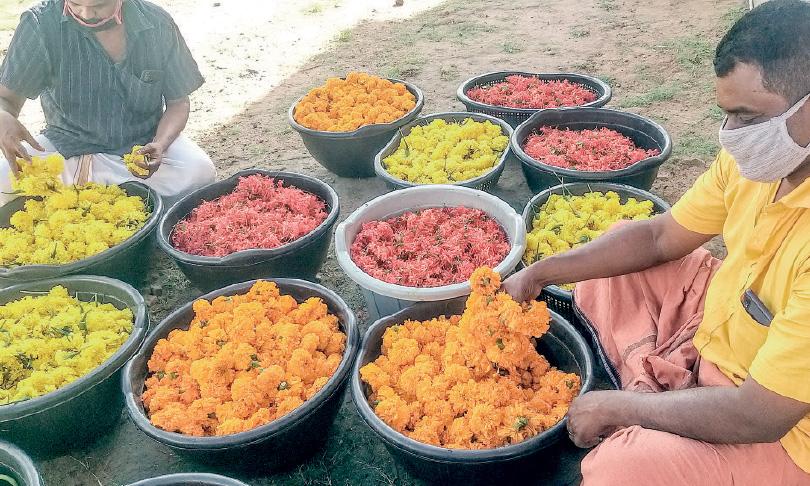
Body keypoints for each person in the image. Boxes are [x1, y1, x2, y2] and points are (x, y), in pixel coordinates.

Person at [502, 1, 810, 485]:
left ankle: (648, 406)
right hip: (733, 327)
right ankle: (664, 396)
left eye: (748, 117)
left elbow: (759, 414)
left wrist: (617, 407)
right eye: (727, 114)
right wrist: (541, 272)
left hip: (782, 435)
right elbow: (660, 236)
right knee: (614, 262)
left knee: (623, 469)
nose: (731, 136)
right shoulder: (759, 163)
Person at [0, 0, 216, 207]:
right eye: (75, 4)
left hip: (141, 149)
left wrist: (160, 144)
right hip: (68, 150)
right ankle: (122, 192)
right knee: (3, 180)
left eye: (99, 6)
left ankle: (87, 192)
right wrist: (3, 117)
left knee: (199, 171)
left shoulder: (158, 23)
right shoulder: (39, 24)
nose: (86, 14)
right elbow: (6, 99)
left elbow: (178, 103)